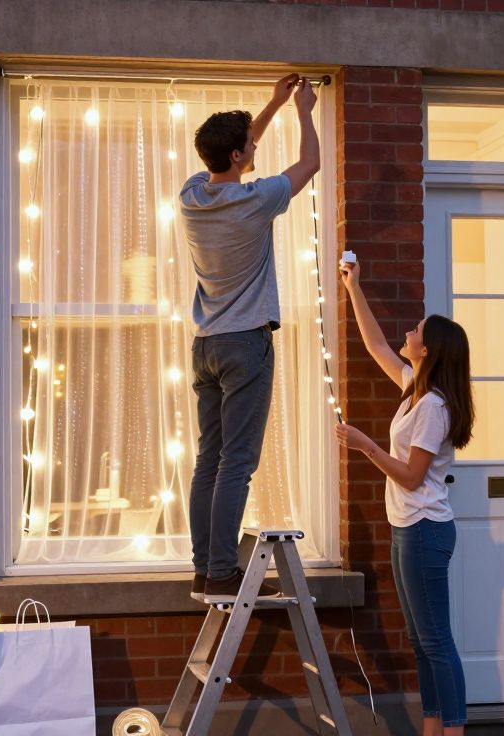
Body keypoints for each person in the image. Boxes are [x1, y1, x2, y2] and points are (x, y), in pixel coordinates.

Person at [180, 73, 320, 600]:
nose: (255, 148)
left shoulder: (191, 196)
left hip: (206, 346)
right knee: (236, 464)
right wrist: (302, 110)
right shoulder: (257, 200)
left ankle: (205, 567)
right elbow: (310, 163)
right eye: (249, 146)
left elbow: (235, 154)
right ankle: (223, 571)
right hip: (245, 345)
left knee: (209, 459)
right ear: (238, 155)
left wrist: (272, 104)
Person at [333, 260, 475, 735]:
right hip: (407, 530)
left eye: (417, 330)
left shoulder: (433, 406)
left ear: (427, 349)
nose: (409, 331)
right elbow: (375, 344)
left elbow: (413, 477)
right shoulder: (416, 387)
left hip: (424, 530)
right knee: (421, 640)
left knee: (437, 642)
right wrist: (354, 287)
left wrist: (365, 446)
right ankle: (433, 729)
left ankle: (452, 729)